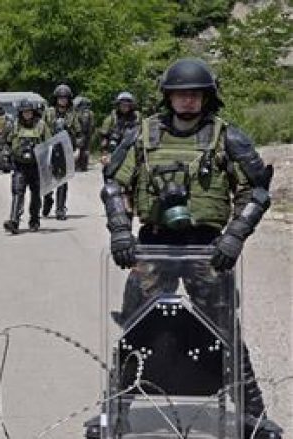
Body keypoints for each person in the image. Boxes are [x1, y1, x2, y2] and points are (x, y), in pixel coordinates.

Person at [99, 58, 281, 438]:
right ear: (168, 96)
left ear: (206, 97)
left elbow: (256, 191)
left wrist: (234, 236)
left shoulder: (226, 137)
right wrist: (120, 232)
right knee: (136, 329)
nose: (187, 100)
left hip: (208, 249)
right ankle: (114, 410)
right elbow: (114, 184)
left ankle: (253, 416)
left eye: (195, 94)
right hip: (153, 245)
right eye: (180, 94)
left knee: (226, 331)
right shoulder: (144, 136)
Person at [3, 99, 50, 234]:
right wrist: (6, 156)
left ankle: (34, 221)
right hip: (20, 165)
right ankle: (14, 221)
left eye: (29, 111)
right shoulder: (15, 125)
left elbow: (50, 144)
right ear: (21, 112)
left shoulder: (41, 125)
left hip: (36, 166)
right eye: (24, 112)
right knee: (17, 192)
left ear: (33, 112)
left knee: (35, 195)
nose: (27, 114)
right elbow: (7, 142)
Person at [43, 84, 79, 219]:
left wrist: (78, 149)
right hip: (50, 147)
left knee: (63, 179)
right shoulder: (49, 112)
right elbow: (41, 128)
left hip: (65, 148)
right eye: (60, 97)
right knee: (47, 178)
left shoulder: (72, 114)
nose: (63, 100)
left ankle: (60, 209)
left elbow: (78, 132)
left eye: (65, 98)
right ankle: (48, 200)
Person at [99, 91, 140, 166]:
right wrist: (104, 154)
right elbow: (104, 138)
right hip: (114, 151)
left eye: (127, 105)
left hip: (132, 151)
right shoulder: (111, 119)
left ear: (131, 105)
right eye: (122, 104)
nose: (125, 107)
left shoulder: (137, 117)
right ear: (118, 105)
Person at [73, 95, 95, 172]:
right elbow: (92, 125)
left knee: (81, 149)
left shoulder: (83, 112)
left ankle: (80, 165)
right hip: (85, 133)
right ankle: (82, 166)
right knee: (84, 149)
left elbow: (86, 124)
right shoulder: (89, 112)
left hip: (82, 133)